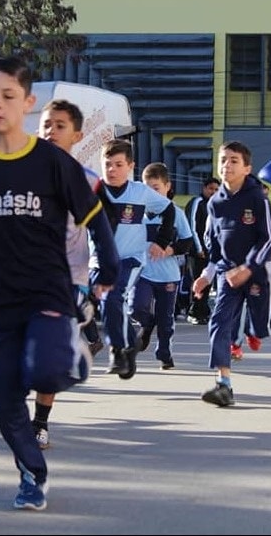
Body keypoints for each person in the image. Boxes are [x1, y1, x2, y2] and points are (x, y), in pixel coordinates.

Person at [0, 56, 119, 511]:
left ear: (27, 103)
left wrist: (108, 269)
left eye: (7, 96)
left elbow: (95, 220)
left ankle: (72, 356)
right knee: (3, 398)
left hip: (47, 291)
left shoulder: (53, 163)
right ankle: (32, 472)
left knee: (43, 370)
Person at [30, 99, 110, 450]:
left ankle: (39, 423)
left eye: (60, 125)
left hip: (67, 278)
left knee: (47, 357)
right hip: (23, 277)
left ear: (76, 135)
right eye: (47, 124)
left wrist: (106, 271)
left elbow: (101, 231)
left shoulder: (88, 181)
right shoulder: (19, 177)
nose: (51, 131)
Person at [192, 140, 271, 407]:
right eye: (223, 159)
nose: (226, 165)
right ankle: (223, 384)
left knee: (261, 328)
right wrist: (207, 274)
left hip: (256, 271)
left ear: (247, 167)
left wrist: (249, 267)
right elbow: (214, 245)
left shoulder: (257, 198)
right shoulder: (215, 203)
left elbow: (269, 240)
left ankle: (267, 320)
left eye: (233, 160)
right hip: (227, 274)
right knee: (219, 322)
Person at [96, 138, 176, 379]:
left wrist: (161, 241)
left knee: (113, 296)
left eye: (118, 164)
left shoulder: (140, 192)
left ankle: (118, 350)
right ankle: (130, 345)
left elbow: (169, 210)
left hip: (130, 258)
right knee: (105, 304)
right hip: (98, 259)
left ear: (130, 166)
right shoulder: (92, 190)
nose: (112, 169)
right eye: (107, 164)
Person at [132, 162, 194, 370]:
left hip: (168, 274)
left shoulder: (176, 213)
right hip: (142, 272)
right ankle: (146, 324)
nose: (151, 193)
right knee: (136, 306)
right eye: (146, 188)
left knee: (165, 318)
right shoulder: (136, 213)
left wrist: (170, 250)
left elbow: (187, 242)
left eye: (156, 188)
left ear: (167, 187)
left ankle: (165, 353)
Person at [183, 177, 220, 325]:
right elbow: (192, 226)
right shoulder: (197, 202)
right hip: (197, 251)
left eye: (217, 189)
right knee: (198, 281)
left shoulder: (216, 205)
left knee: (208, 282)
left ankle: (203, 311)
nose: (213, 192)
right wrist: (198, 248)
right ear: (204, 188)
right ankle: (194, 311)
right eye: (211, 189)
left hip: (210, 252)